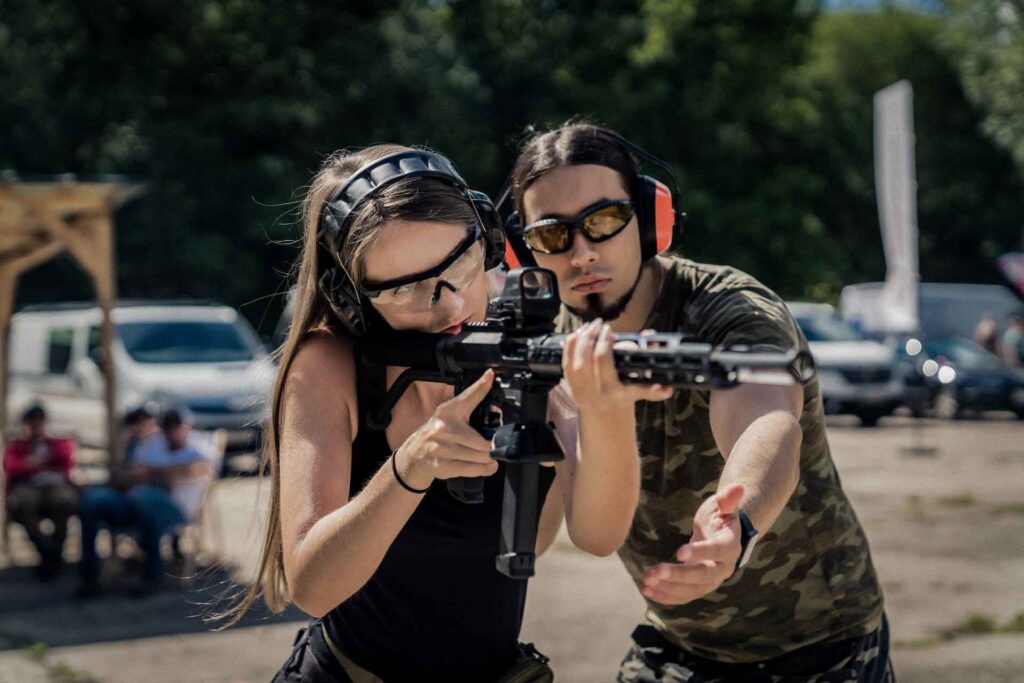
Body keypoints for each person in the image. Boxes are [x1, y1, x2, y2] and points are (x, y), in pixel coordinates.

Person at [222, 145, 667, 682]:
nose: (451, 305)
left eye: (461, 263)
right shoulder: (329, 367)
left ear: (491, 241)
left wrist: (606, 413)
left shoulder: (520, 342)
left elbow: (594, 536)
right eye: (407, 289)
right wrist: (410, 467)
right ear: (350, 300)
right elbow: (312, 586)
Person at [505, 122, 893, 682]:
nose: (582, 252)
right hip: (677, 638)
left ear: (648, 218)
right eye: (551, 235)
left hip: (822, 640)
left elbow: (767, 421)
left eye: (604, 220)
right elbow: (582, 531)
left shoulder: (729, 306)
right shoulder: (553, 346)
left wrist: (738, 522)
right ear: (525, 249)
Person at [77, 405, 215, 596]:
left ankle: (151, 574)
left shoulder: (200, 445)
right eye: (167, 427)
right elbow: (130, 475)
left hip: (175, 509)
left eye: (176, 426)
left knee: (146, 499)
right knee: (92, 501)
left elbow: (197, 470)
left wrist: (154, 473)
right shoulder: (153, 443)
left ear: (187, 426)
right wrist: (158, 473)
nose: (171, 432)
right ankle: (90, 575)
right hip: (134, 503)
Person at [2, 404, 78, 580]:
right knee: (21, 504)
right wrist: (31, 464)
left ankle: (53, 556)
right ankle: (49, 552)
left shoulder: (56, 443)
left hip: (55, 485)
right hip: (29, 487)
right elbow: (11, 466)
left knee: (63, 502)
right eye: (32, 423)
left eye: (39, 422)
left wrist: (38, 461)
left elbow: (64, 458)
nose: (35, 427)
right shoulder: (18, 445)